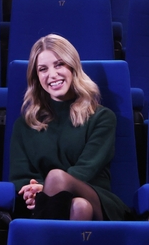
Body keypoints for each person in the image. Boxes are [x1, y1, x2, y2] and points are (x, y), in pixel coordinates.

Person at [9, 34, 131, 221]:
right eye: (43, 69)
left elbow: (86, 169)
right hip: (44, 203)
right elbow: (20, 177)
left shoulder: (102, 118)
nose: (52, 74)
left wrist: (47, 186)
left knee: (58, 179)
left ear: (72, 66)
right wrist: (34, 191)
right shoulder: (25, 125)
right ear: (36, 77)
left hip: (96, 197)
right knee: (79, 207)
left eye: (59, 64)